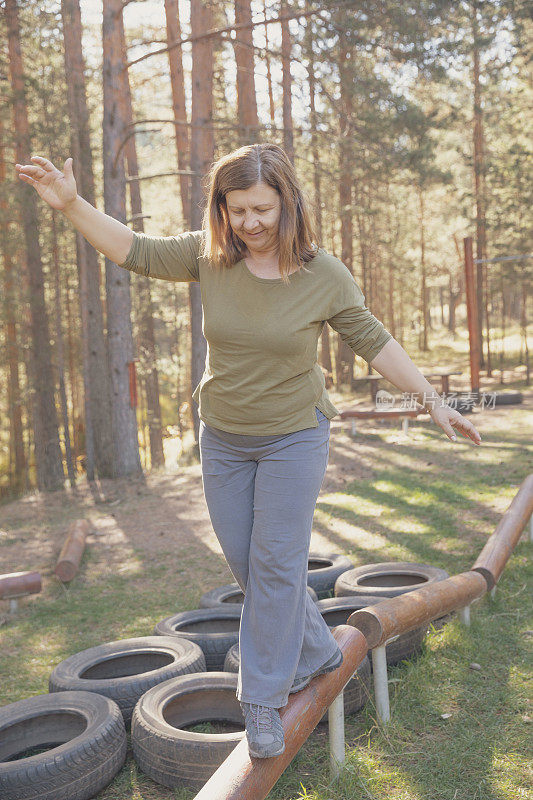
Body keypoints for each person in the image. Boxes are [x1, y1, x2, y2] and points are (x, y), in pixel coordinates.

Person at [15, 143, 482, 759]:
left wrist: (430, 399)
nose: (250, 223)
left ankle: (261, 699)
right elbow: (133, 249)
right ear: (222, 210)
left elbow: (373, 339)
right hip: (226, 438)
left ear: (288, 203)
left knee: (275, 568)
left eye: (261, 209)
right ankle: (320, 653)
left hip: (295, 434)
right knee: (251, 568)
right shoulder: (211, 258)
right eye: (237, 210)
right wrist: (72, 205)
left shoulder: (323, 274)